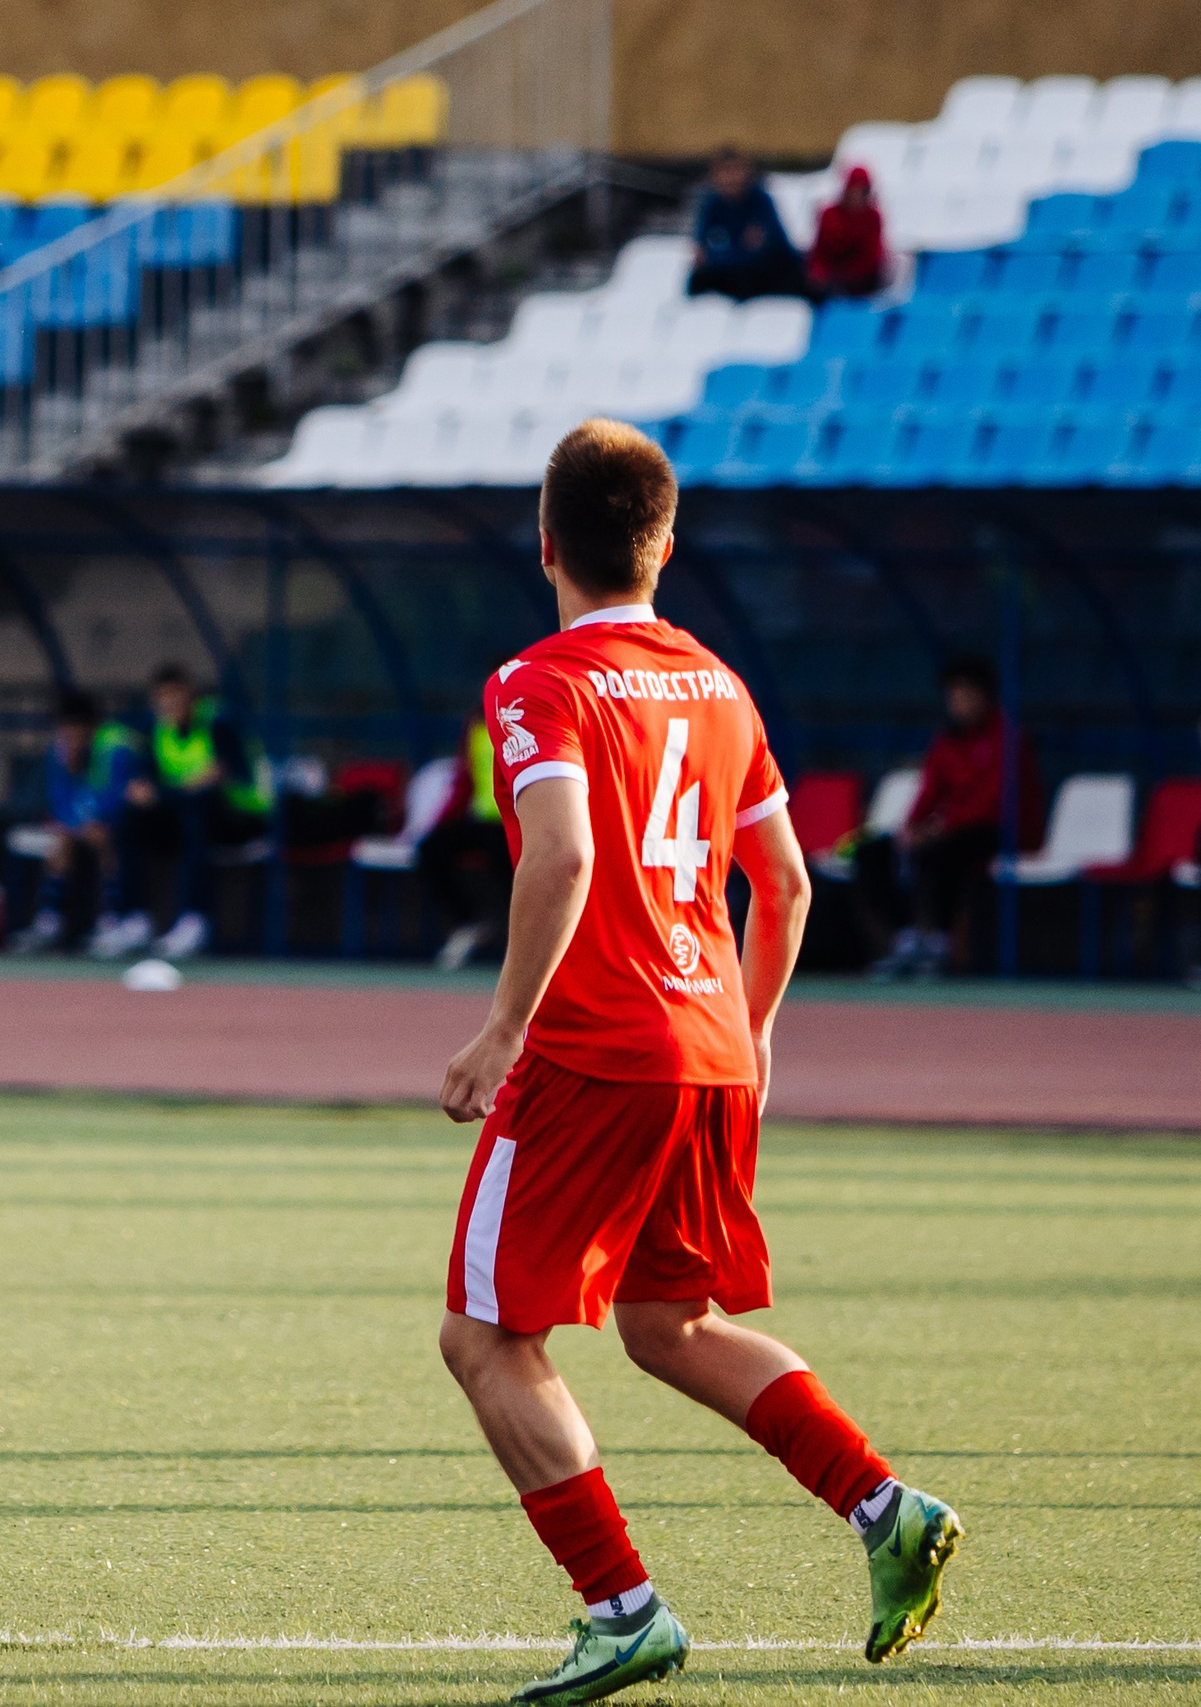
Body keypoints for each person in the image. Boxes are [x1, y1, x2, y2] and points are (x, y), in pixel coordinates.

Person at [435, 420, 960, 1702]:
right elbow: (782, 884)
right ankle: (884, 1508)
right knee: (669, 1324)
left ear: (545, 544)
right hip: (712, 1050)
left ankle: (622, 1609)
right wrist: (758, 1029)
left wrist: (499, 1028)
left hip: (594, 1049)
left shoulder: (535, 682)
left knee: (484, 1340)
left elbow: (559, 857)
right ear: (665, 545)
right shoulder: (720, 685)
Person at [857, 656, 1038, 981]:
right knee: (873, 851)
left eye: (968, 694)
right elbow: (929, 793)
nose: (960, 703)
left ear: (985, 697)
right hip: (951, 830)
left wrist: (940, 828)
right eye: (954, 695)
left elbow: (995, 803)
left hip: (999, 832)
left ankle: (939, 945)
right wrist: (912, 827)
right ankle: (906, 941)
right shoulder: (945, 741)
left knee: (948, 849)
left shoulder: (1007, 739)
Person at [116, 662, 268, 961]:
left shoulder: (218, 721)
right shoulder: (156, 729)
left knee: (197, 812)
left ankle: (193, 920)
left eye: (175, 695)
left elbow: (214, 776)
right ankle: (135, 919)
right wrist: (144, 793)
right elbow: (146, 785)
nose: (168, 703)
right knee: (129, 818)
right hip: (183, 813)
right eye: (162, 697)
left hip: (241, 818)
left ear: (190, 694)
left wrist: (162, 794)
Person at [11, 688, 140, 954]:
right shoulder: (58, 751)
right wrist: (74, 823)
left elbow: (118, 798)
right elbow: (58, 803)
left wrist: (94, 821)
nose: (69, 736)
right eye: (64, 728)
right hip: (81, 826)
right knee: (60, 839)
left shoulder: (116, 747)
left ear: (90, 726)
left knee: (106, 838)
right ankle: (49, 922)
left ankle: (111, 922)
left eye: (75, 728)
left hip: (125, 825)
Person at [420, 706, 515, 971]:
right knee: (431, 848)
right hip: (483, 821)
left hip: (518, 822)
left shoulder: (530, 720)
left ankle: (524, 942)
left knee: (512, 866)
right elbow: (465, 779)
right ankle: (467, 923)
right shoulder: (475, 725)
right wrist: (440, 822)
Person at [689, 146, 807, 302]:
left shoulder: (760, 202)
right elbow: (702, 252)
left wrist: (722, 254)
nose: (730, 177)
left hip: (768, 273)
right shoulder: (712, 206)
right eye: (724, 171)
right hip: (732, 275)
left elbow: (762, 252)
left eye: (735, 170)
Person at [807, 165, 888, 300]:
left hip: (859, 280)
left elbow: (872, 257)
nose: (856, 195)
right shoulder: (829, 215)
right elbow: (820, 252)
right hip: (831, 278)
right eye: (853, 189)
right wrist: (819, 274)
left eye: (861, 190)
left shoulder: (873, 217)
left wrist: (845, 276)